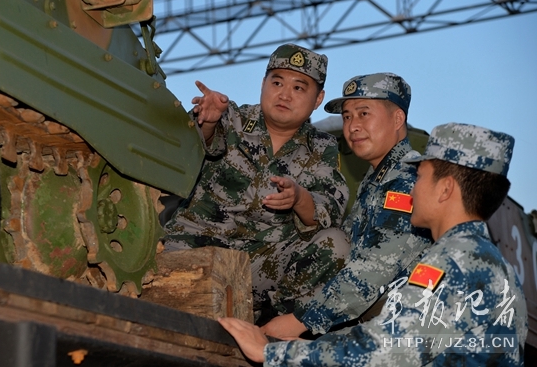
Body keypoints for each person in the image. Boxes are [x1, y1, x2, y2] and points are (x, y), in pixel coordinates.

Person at [219, 122, 528, 366]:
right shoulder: (490, 263)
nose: (413, 188)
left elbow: (389, 351)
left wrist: (272, 354)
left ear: (445, 189)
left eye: (419, 176)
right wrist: (312, 348)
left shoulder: (453, 261)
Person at [162, 43, 350, 320]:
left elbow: (328, 207)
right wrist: (209, 121)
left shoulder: (321, 147)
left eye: (299, 88)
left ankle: (272, 323)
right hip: (196, 246)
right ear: (263, 84)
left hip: (258, 266)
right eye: (277, 82)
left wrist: (299, 198)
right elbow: (196, 145)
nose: (285, 94)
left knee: (336, 243)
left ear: (318, 99)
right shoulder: (232, 118)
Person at [260, 72, 433, 338]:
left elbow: (375, 269)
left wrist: (299, 322)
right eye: (347, 116)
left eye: (364, 114)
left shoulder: (408, 180)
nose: (352, 126)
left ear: (398, 119)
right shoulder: (377, 179)